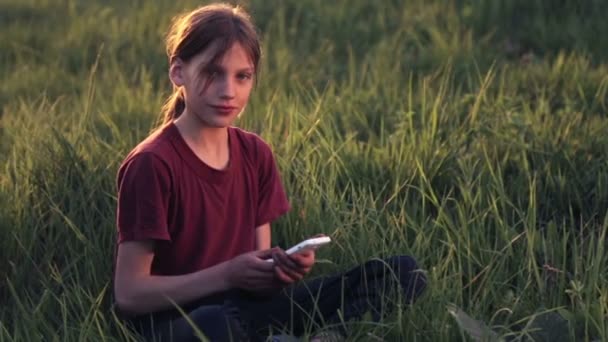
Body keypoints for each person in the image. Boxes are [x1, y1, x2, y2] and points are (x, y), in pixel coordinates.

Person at [112, 3, 427, 341]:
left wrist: (279, 271)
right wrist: (228, 275)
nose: (228, 91)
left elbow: (258, 269)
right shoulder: (153, 163)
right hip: (180, 321)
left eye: (242, 76)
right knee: (217, 324)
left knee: (404, 273)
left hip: (246, 309)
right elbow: (129, 296)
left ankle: (326, 337)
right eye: (211, 73)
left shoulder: (254, 153)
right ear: (178, 73)